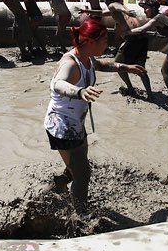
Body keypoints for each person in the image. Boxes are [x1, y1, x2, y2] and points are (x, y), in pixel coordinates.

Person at [44, 18, 145, 210]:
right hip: (62, 126)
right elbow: (58, 84)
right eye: (104, 40)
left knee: (78, 165)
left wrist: (125, 67)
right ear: (91, 41)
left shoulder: (87, 58)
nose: (107, 44)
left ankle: (59, 184)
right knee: (83, 174)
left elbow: (103, 64)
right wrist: (79, 92)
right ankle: (79, 216)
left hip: (75, 123)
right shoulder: (70, 63)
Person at [128, 0, 168, 106]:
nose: (144, 11)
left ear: (153, 8)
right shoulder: (162, 17)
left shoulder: (157, 19)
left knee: (164, 70)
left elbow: (141, 30)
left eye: (146, 8)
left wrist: (127, 32)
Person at [106, 0, 153, 98]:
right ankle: (150, 93)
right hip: (143, 38)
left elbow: (116, 5)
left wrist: (125, 11)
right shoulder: (121, 10)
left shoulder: (114, 6)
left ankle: (131, 89)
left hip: (132, 39)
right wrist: (88, 12)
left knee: (117, 65)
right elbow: (102, 13)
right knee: (140, 67)